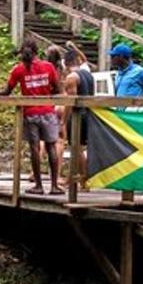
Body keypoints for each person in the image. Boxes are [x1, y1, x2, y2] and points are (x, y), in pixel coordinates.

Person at [0, 42, 63, 195]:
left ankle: (39, 185)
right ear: (36, 52)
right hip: (47, 111)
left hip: (30, 112)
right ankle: (54, 186)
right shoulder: (48, 67)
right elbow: (58, 89)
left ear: (22, 53)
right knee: (51, 146)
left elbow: (7, 91)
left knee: (34, 148)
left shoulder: (18, 70)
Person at [62, 44, 94, 190]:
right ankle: (77, 178)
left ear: (65, 63)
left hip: (77, 115)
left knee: (76, 148)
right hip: (89, 113)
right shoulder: (88, 73)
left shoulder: (71, 78)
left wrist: (63, 120)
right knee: (79, 148)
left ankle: (81, 179)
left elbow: (71, 101)